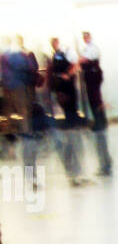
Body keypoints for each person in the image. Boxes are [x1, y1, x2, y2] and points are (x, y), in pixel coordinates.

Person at [49, 37, 88, 184]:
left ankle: (73, 126)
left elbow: (75, 65)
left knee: (71, 111)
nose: (54, 46)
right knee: (67, 111)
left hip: (68, 88)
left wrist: (68, 75)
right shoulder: (55, 55)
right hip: (62, 88)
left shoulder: (67, 52)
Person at [78, 31, 112, 175]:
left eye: (87, 36)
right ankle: (99, 120)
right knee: (94, 99)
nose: (85, 39)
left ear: (90, 37)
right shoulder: (86, 47)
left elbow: (85, 60)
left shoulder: (92, 48)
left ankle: (100, 121)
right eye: (84, 37)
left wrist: (81, 60)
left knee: (95, 98)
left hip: (93, 73)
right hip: (90, 75)